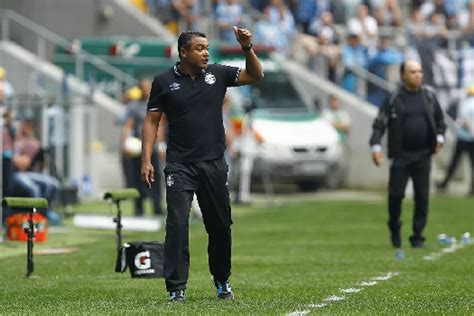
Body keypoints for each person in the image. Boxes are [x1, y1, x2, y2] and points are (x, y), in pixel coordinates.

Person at [141, 28, 263, 302]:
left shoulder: (218, 74)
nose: (206, 52)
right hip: (179, 165)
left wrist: (247, 47)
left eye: (207, 47)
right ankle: (176, 288)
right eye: (199, 48)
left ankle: (222, 280)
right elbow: (151, 121)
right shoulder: (163, 81)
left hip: (214, 164)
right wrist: (146, 158)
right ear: (184, 52)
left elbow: (255, 75)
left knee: (220, 226)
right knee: (177, 224)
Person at [369, 60, 446, 252]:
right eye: (413, 72)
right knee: (396, 195)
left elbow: (440, 121)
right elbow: (379, 124)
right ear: (403, 75)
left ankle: (417, 235)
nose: (418, 75)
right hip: (401, 156)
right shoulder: (393, 98)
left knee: (422, 197)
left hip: (423, 155)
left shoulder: (428, 96)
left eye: (420, 71)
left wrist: (440, 137)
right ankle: (394, 226)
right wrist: (376, 146)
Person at [122, 80, 163, 216]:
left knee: (156, 178)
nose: (147, 90)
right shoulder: (134, 106)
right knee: (137, 178)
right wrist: (125, 142)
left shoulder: (157, 104)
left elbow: (160, 126)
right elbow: (128, 125)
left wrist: (162, 145)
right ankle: (139, 208)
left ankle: (157, 208)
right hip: (138, 147)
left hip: (153, 147)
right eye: (144, 87)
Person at [437, 85, 474, 196]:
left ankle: (444, 183)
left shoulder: (466, 104)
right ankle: (472, 188)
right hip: (470, 138)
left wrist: (471, 131)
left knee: (454, 161)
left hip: (463, 137)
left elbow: (464, 120)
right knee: (472, 164)